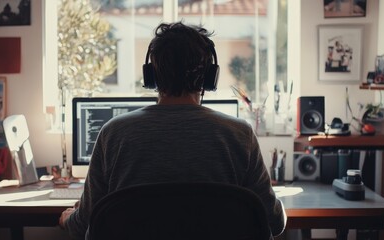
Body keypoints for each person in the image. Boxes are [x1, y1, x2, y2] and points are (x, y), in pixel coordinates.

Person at [59, 21, 286, 239]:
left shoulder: (113, 133)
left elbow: (85, 224)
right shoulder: (240, 134)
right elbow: (274, 223)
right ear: (209, 77)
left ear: (151, 75)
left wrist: (68, 219)